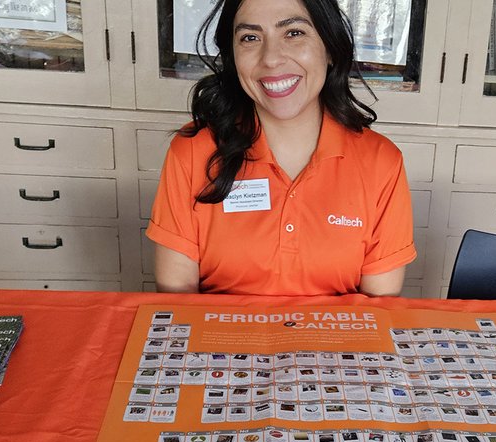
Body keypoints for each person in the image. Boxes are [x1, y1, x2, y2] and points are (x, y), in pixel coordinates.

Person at [147, 0, 416, 296]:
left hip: (335, 342)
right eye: (250, 37)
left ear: (329, 48)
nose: (272, 58)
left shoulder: (381, 162)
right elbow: (177, 302)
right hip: (218, 340)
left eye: (294, 33)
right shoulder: (192, 153)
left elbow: (377, 311)